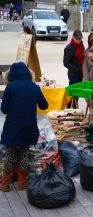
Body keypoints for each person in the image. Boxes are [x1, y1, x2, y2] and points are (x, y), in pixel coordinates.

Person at [0, 61, 48, 192]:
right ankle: (22, 183)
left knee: (10, 155)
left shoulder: (11, 87)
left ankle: (4, 184)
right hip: (29, 128)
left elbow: (3, 109)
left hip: (12, 128)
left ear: (12, 74)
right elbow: (44, 106)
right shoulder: (35, 87)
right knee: (24, 155)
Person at [63, 30, 84, 108]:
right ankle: (69, 108)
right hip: (73, 74)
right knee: (73, 92)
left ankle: (75, 107)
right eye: (77, 39)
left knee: (77, 92)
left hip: (80, 74)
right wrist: (77, 69)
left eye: (80, 39)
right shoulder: (68, 48)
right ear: (73, 37)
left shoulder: (81, 45)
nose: (79, 40)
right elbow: (66, 63)